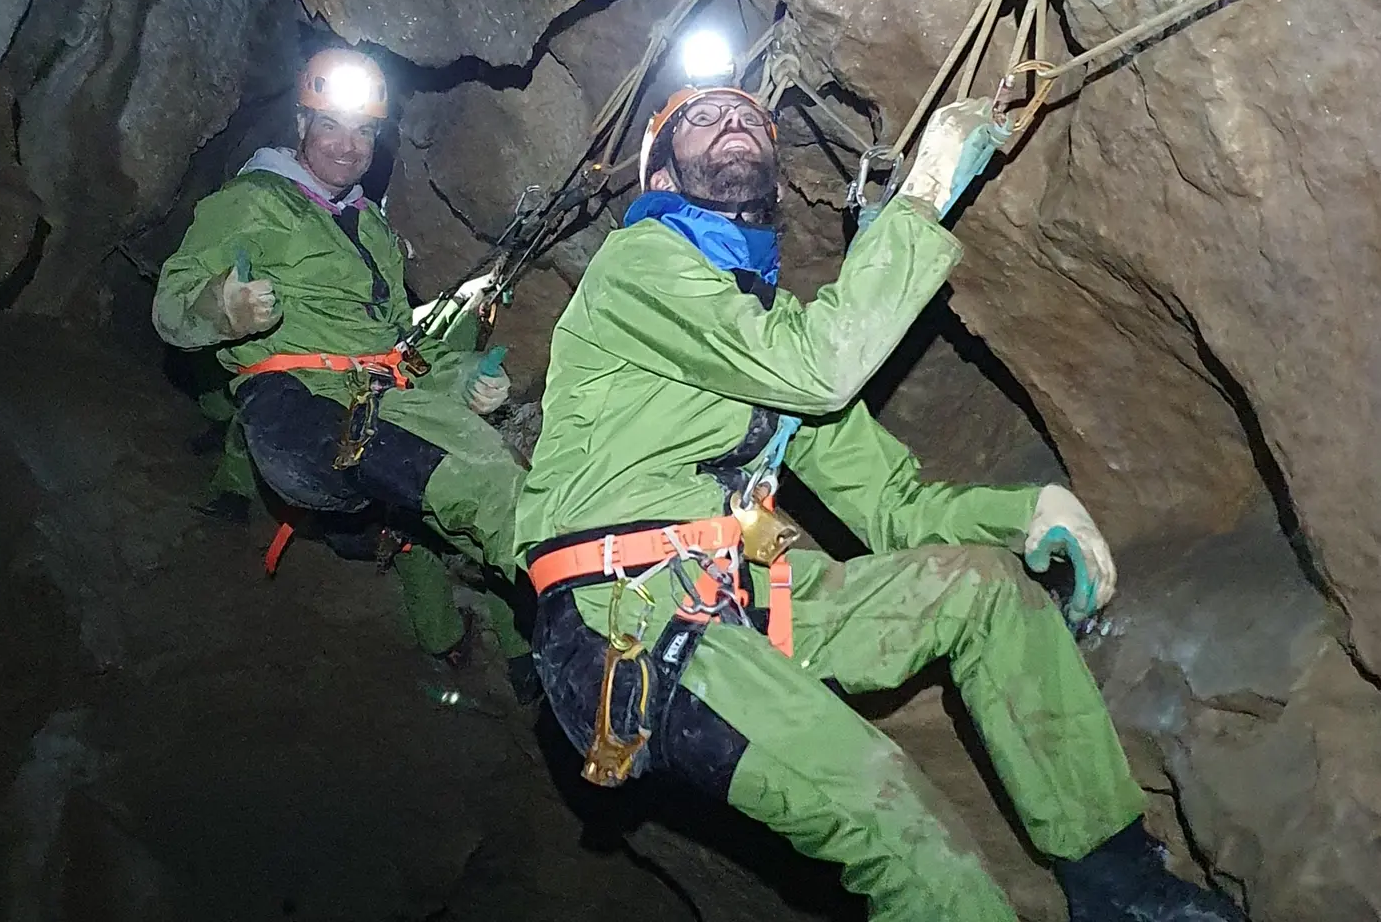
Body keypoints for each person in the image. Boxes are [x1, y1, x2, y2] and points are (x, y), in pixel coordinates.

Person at [513, 82, 1250, 921]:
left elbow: (893, 506)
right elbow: (821, 366)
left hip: (736, 602)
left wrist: (1025, 512)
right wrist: (925, 196)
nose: (736, 126)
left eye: (753, 119)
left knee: (980, 590)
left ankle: (1118, 884)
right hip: (630, 622)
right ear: (665, 172)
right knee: (903, 832)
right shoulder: (639, 266)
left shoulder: (766, 335)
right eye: (703, 119)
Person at [153, 48, 536, 697]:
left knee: (476, 479)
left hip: (381, 397)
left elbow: (401, 346)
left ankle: (533, 632)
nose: (348, 144)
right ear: (301, 124)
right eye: (332, 125)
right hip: (303, 409)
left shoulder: (370, 225)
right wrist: (219, 306)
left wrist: (468, 375)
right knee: (472, 477)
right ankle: (577, 575)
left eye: (363, 131)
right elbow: (170, 309)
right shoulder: (252, 202)